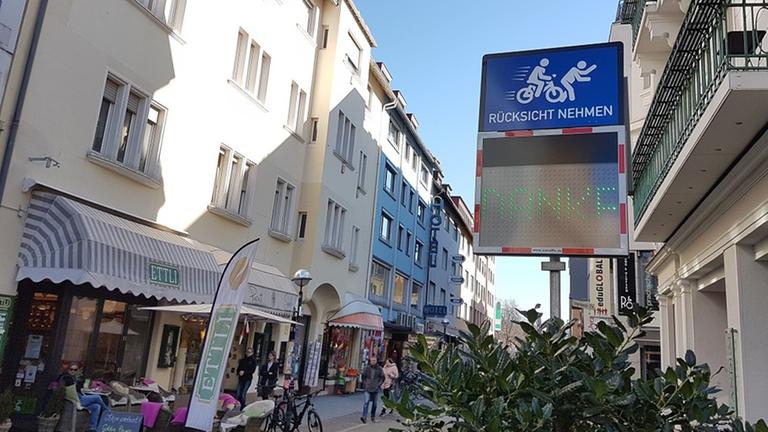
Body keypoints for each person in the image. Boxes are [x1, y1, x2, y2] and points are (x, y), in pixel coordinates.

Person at [59, 363, 110, 432]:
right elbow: (72, 390)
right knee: (97, 397)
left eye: (75, 370)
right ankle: (107, 412)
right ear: (67, 370)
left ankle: (92, 429)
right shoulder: (66, 378)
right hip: (76, 400)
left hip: (80, 397)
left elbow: (79, 389)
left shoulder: (75, 378)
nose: (73, 371)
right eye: (71, 369)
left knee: (97, 406)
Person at [360, 354, 384, 424]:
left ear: (376, 361)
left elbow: (382, 377)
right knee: (366, 402)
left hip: (375, 388)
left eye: (374, 360)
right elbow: (363, 376)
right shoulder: (366, 368)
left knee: (375, 404)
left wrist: (379, 384)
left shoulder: (379, 369)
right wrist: (365, 384)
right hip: (367, 388)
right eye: (372, 360)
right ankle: (364, 417)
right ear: (370, 361)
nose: (373, 361)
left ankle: (372, 416)